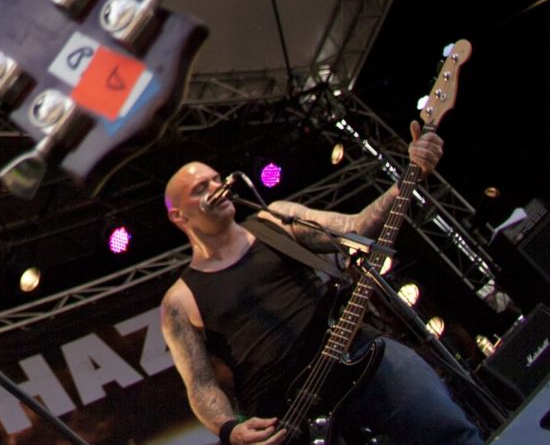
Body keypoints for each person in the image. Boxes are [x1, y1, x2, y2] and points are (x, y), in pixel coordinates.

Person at [159, 129, 483, 444]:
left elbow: (356, 228)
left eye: (217, 178)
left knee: (448, 430)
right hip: (286, 413)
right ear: (178, 216)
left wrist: (408, 177)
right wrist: (229, 429)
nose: (218, 188)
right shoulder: (180, 298)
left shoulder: (275, 220)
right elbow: (200, 383)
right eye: (201, 188)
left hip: (356, 349)